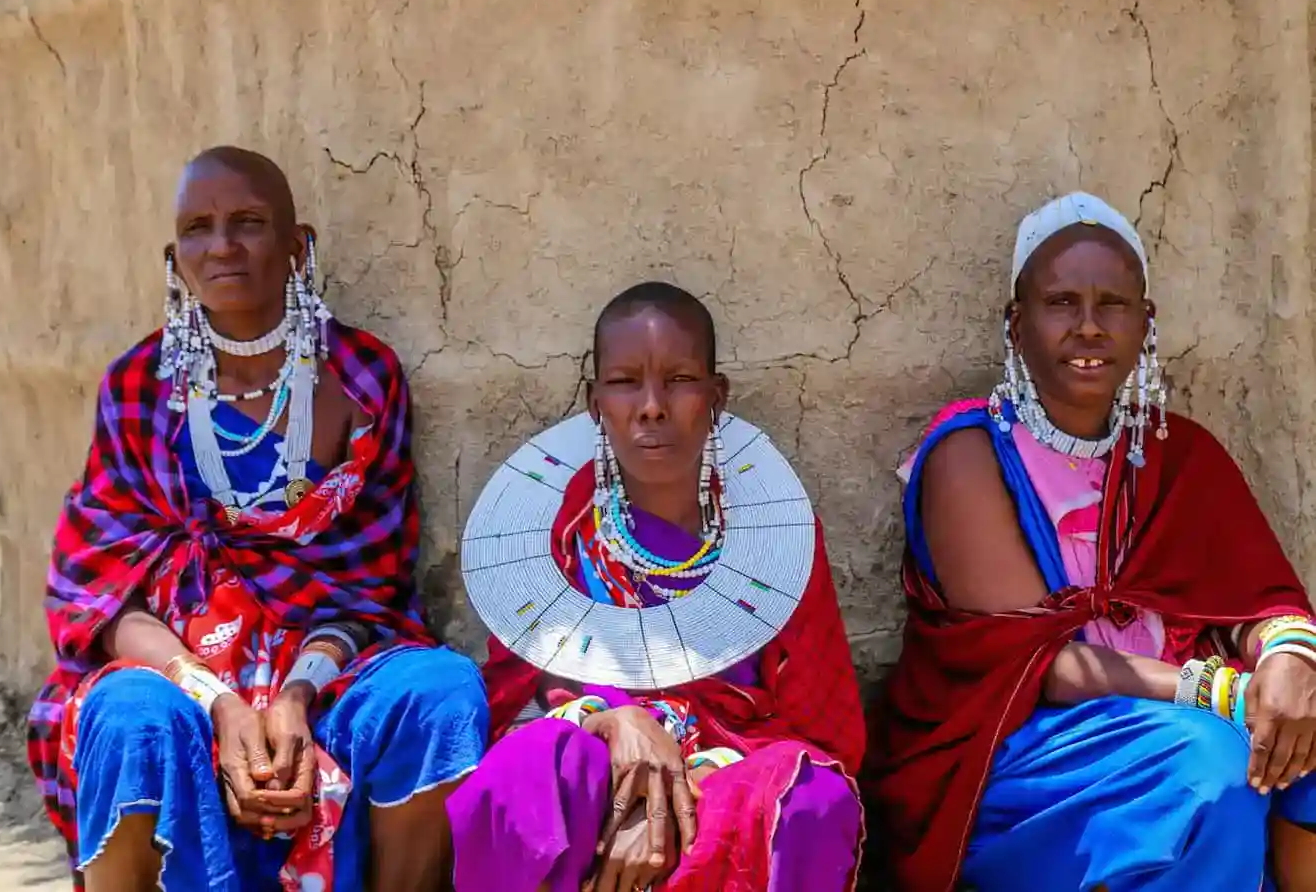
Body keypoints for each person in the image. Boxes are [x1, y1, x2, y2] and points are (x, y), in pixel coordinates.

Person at [25, 146, 488, 892]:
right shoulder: (138, 386)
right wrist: (221, 699)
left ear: (298, 246)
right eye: (198, 228)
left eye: (247, 222)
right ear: (174, 257)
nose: (222, 246)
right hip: (177, 664)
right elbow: (106, 591)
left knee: (439, 691)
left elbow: (367, 586)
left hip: (325, 664)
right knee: (129, 712)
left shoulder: (363, 379)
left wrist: (295, 696)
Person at [871, 191, 1316, 891]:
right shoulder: (970, 455)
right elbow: (1038, 666)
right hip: (1020, 753)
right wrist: (1232, 694)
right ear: (1016, 327)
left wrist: (1290, 662)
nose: (1088, 327)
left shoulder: (1180, 453)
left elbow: (1261, 599)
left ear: (1146, 324)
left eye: (1112, 305)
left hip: (1186, 724)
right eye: (1061, 304)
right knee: (1210, 764)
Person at [446, 282, 866, 892]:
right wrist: (615, 717)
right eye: (624, 382)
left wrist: (674, 791)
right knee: (530, 768)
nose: (651, 406)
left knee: (813, 797)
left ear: (716, 397)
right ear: (595, 404)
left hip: (729, 766)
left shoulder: (777, 538)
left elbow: (821, 726)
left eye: (679, 380)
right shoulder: (557, 531)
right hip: (595, 754)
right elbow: (518, 692)